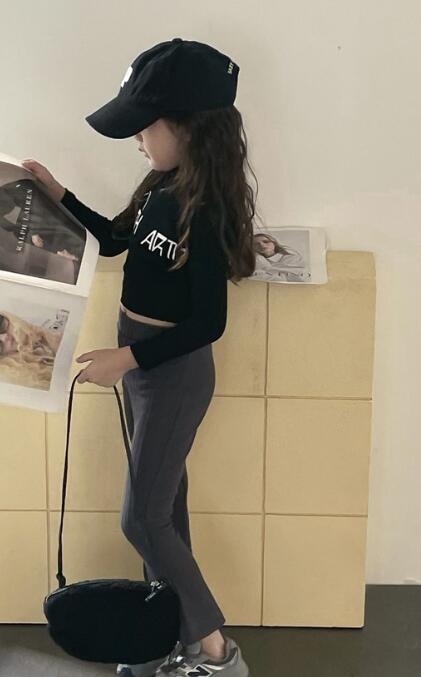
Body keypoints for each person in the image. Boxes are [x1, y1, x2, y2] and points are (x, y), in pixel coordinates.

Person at [22, 38, 256, 677]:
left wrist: (127, 359)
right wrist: (58, 192)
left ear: (189, 128)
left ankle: (215, 653)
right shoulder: (162, 186)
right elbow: (115, 240)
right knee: (165, 511)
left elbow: (208, 323)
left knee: (142, 518)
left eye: (146, 126)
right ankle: (173, 639)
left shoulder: (204, 211)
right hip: (145, 372)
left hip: (172, 376)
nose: (137, 140)